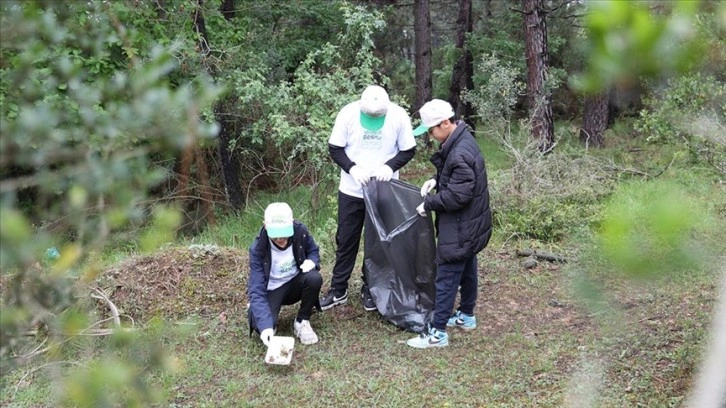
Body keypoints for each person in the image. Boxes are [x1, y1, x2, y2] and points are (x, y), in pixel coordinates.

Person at [320, 85, 417, 312]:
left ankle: (372, 288)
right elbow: (335, 148)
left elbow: (408, 149)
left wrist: (389, 166)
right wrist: (352, 168)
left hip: (384, 189)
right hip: (352, 190)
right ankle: (338, 289)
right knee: (346, 239)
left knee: (378, 242)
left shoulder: (398, 116)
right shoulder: (348, 114)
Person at [406, 99, 492, 349]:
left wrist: (429, 203)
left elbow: (459, 195)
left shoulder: (460, 150)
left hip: (461, 226)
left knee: (446, 277)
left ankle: (437, 333)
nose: (430, 136)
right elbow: (457, 177)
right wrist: (435, 179)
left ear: (445, 123)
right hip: (469, 225)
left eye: (431, 130)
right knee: (467, 268)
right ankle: (466, 316)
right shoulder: (459, 141)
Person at [248, 202, 323, 346]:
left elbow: (313, 250)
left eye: (284, 233)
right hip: (273, 289)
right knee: (260, 324)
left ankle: (302, 321)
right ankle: (262, 314)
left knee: (314, 278)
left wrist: (312, 261)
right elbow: (256, 288)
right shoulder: (257, 249)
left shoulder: (300, 231)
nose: (281, 239)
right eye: (276, 235)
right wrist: (265, 328)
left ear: (292, 222)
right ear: (265, 226)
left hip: (296, 282)